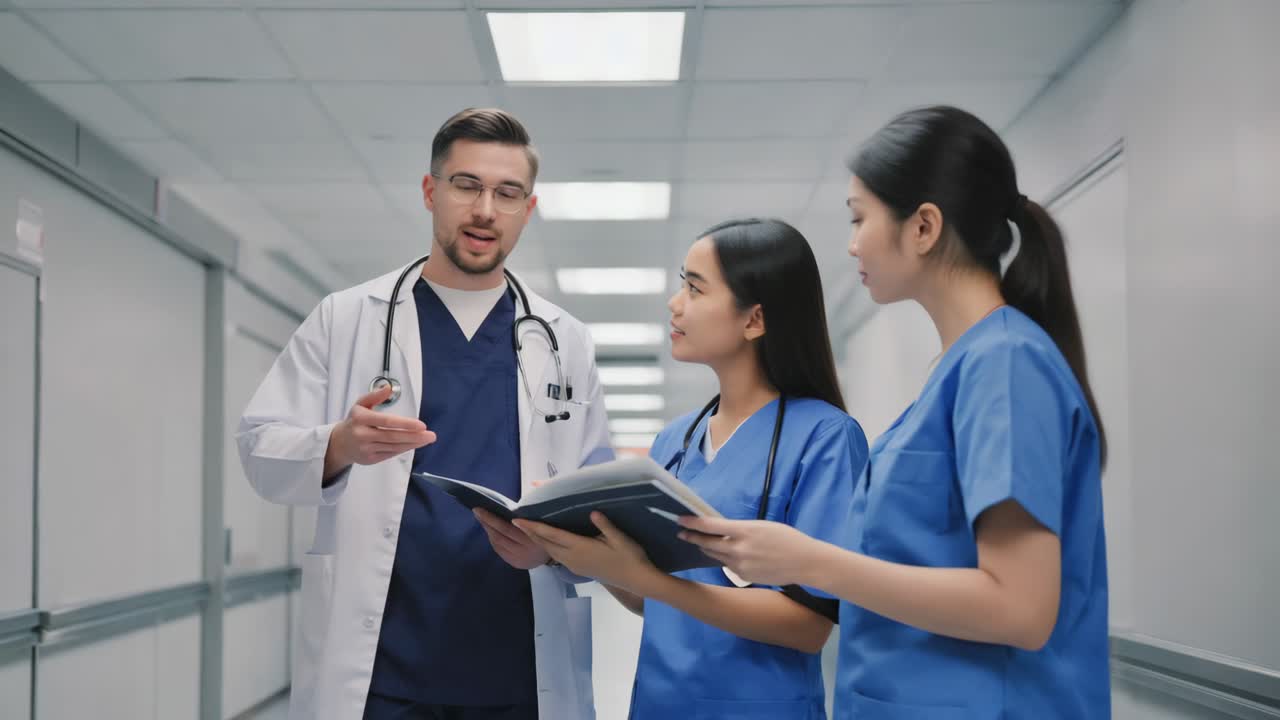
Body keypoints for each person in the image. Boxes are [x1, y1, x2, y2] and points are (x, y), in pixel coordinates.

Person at [680, 106, 1111, 718]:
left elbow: (1021, 608)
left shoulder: (1006, 363)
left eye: (860, 218)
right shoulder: (959, 370)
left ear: (923, 227)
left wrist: (807, 561)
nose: (853, 243)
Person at [236, 108, 612, 720]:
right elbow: (259, 449)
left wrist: (550, 548)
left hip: (518, 667)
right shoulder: (346, 318)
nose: (485, 209)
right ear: (431, 192)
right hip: (383, 672)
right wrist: (339, 443)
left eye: (507, 192)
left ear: (527, 209)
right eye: (467, 185)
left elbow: (595, 497)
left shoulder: (564, 340)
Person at [518, 218, 868, 719]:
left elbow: (809, 626)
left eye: (694, 288)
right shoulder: (676, 440)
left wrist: (649, 581)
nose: (674, 302)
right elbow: (650, 600)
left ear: (754, 321)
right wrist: (563, 546)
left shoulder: (825, 437)